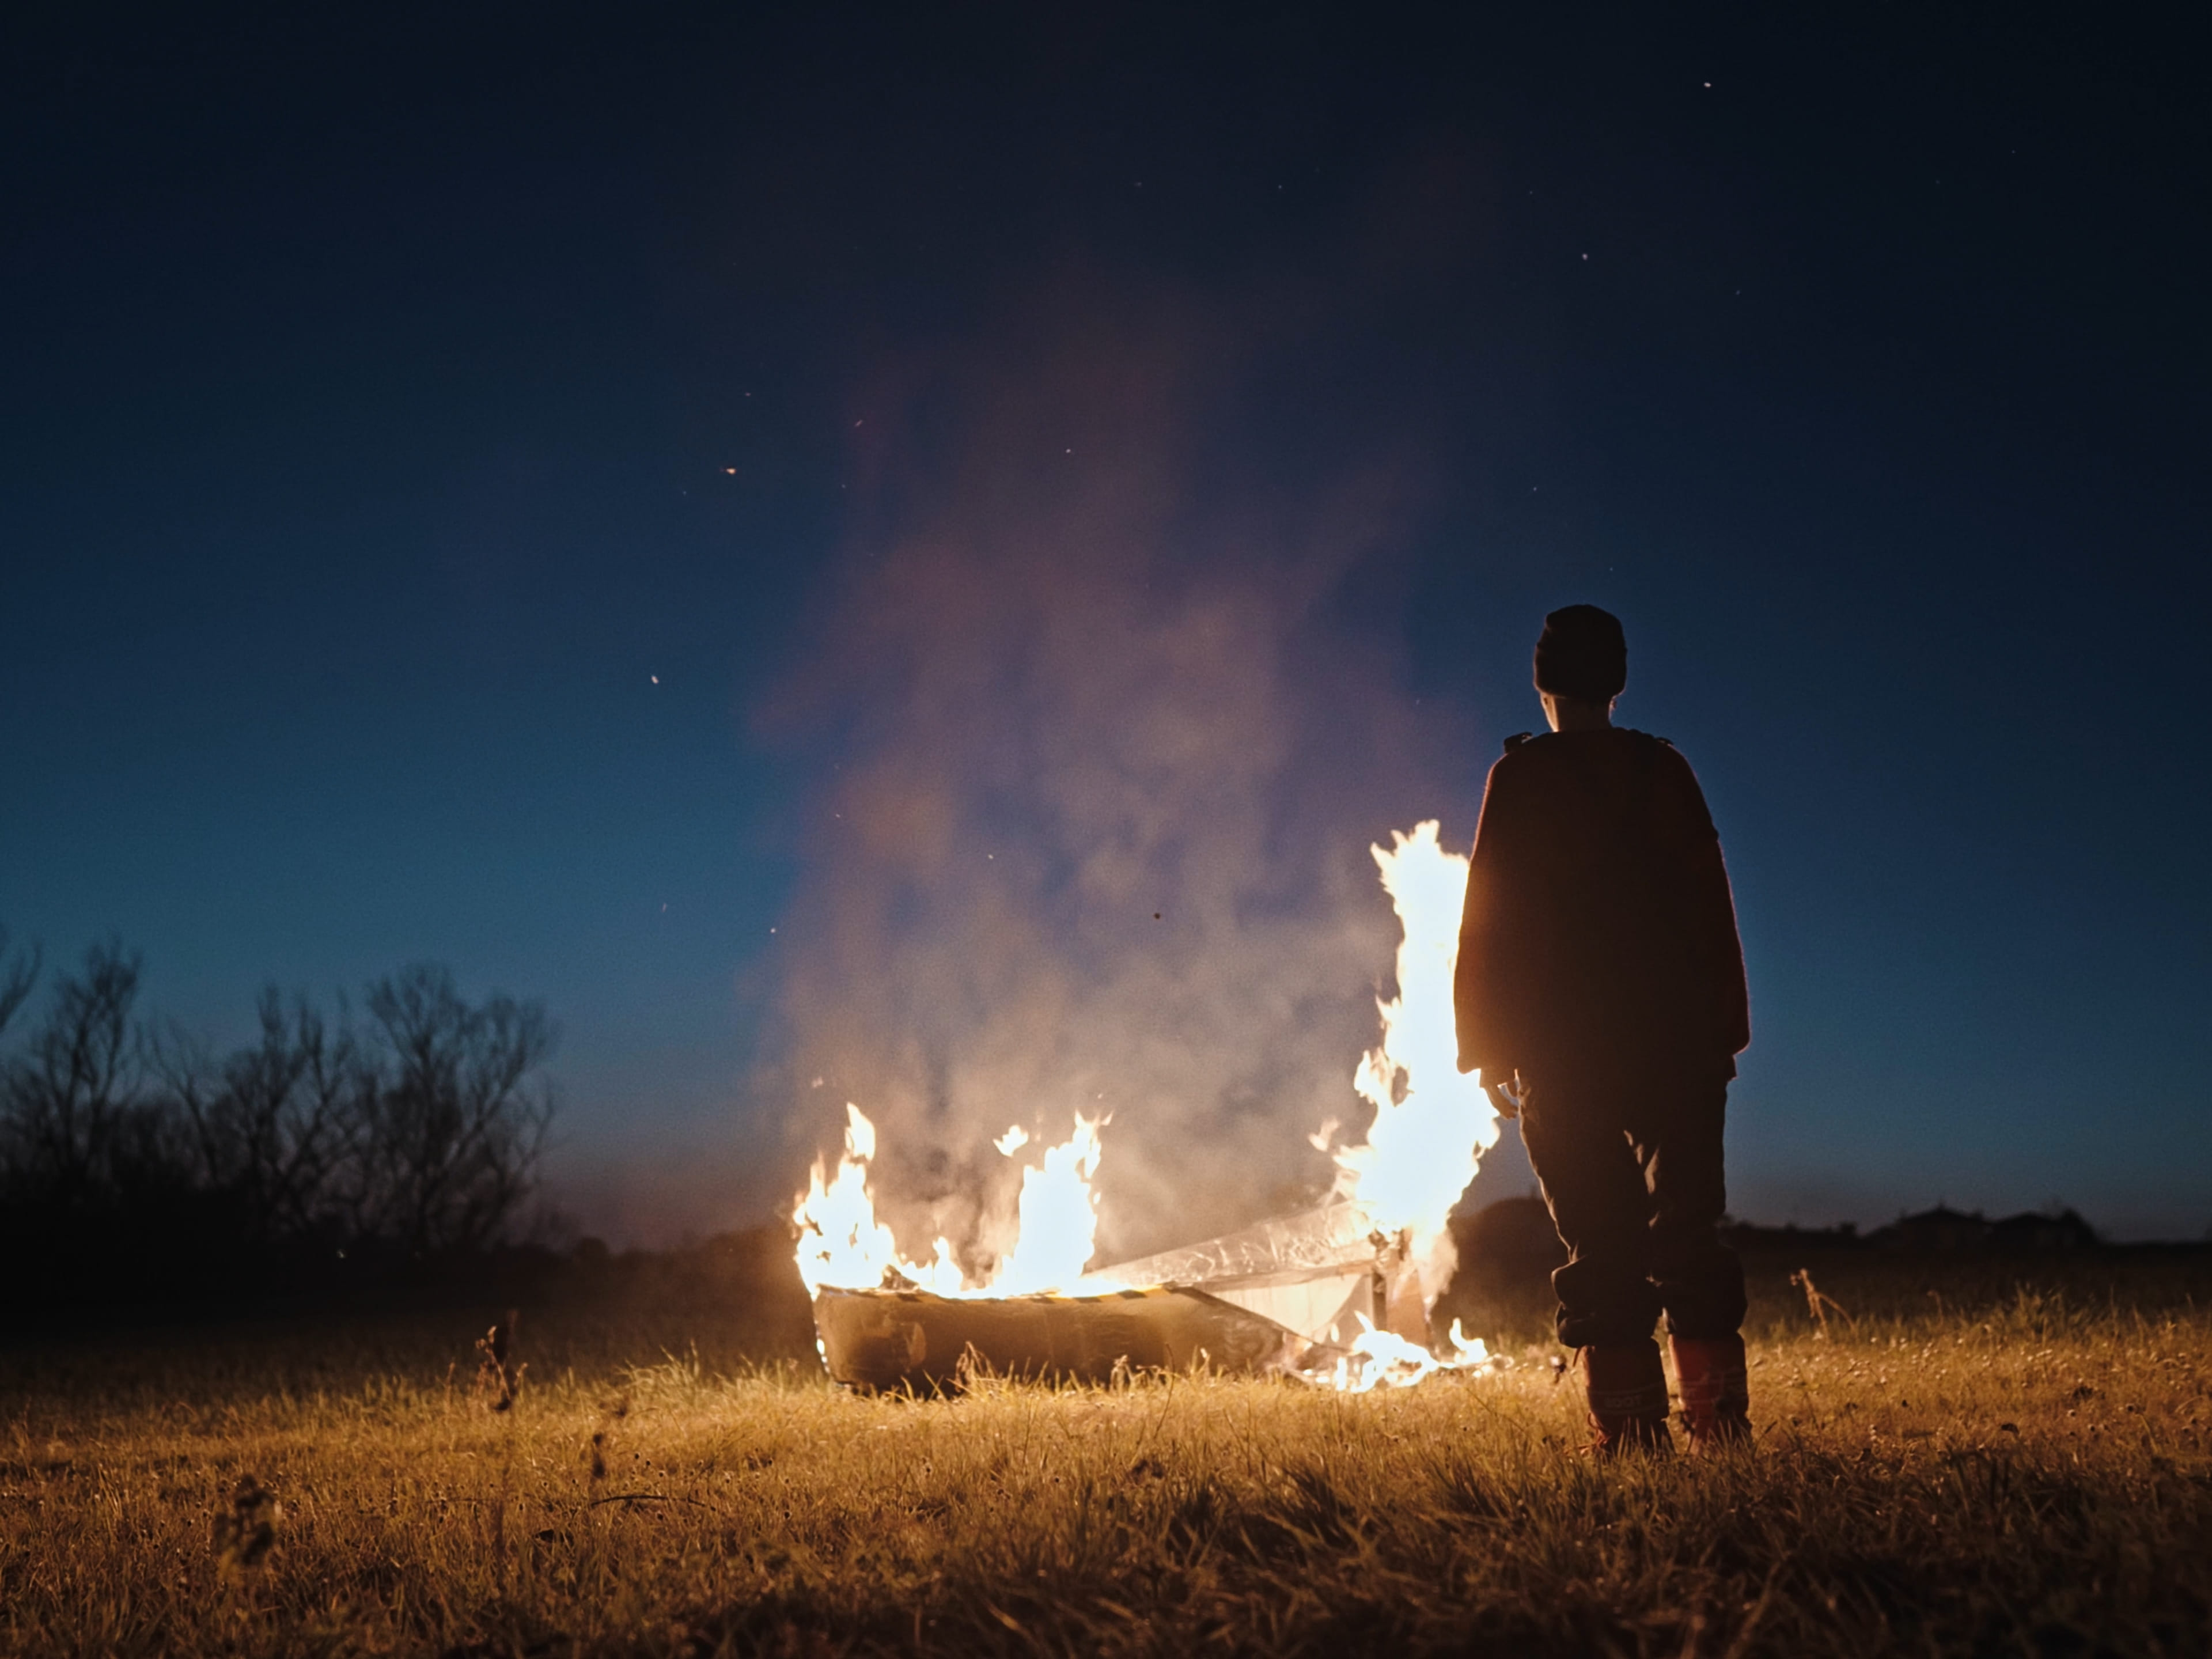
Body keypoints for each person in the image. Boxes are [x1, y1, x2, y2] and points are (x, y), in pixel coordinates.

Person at [1453, 605, 1752, 1456]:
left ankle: (1628, 1436)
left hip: (1564, 1049)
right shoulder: (1666, 771)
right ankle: (1720, 1428)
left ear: (1542, 684)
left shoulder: (1521, 779)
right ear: (1618, 683)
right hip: (1677, 1043)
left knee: (1599, 1237)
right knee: (1690, 1230)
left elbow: (1491, 918)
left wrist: (1487, 1046)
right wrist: (1723, 1034)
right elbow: (1709, 902)